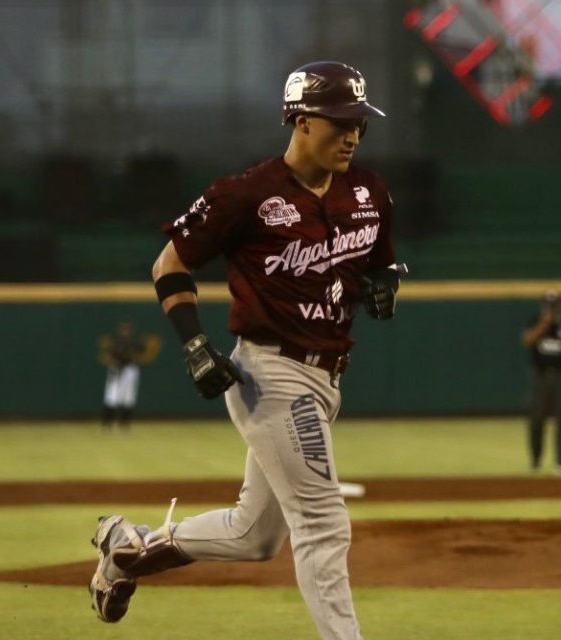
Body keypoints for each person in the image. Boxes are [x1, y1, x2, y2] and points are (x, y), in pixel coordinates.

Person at [87, 61, 404, 640]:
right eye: (340, 122)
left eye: (359, 122)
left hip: (327, 376)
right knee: (324, 523)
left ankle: (127, 550)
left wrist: (383, 282)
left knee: (253, 536)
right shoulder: (247, 194)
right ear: (302, 121)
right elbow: (169, 264)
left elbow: (379, 262)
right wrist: (195, 344)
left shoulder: (368, 191)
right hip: (272, 372)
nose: (353, 134)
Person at [520, 289, 561, 473]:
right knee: (536, 419)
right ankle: (535, 460)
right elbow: (527, 341)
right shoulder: (535, 321)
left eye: (555, 306)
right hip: (540, 375)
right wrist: (544, 324)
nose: (552, 310)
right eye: (549, 306)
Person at [97, 321, 159, 429]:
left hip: (130, 369)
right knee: (112, 395)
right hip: (116, 369)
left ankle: (124, 423)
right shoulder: (115, 342)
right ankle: (107, 422)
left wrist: (149, 352)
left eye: (127, 329)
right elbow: (105, 357)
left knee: (128, 397)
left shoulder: (134, 343)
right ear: (120, 330)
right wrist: (111, 361)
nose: (125, 331)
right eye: (124, 329)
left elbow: (145, 356)